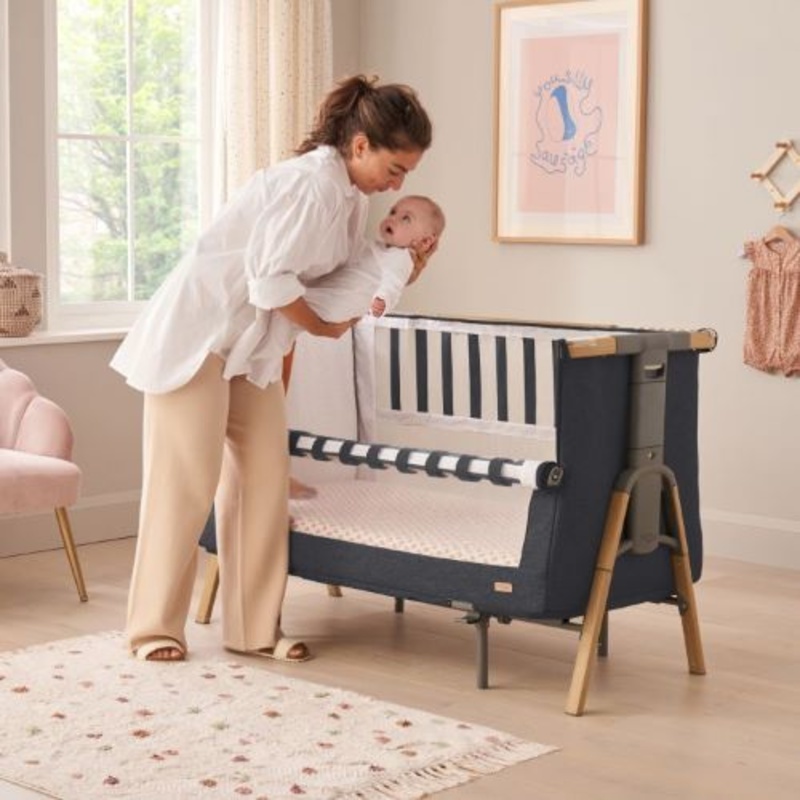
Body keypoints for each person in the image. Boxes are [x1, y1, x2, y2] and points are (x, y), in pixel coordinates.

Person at [110, 74, 433, 663]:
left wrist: (403, 266)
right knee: (185, 483)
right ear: (360, 145)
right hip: (201, 337)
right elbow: (270, 282)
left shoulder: (349, 198)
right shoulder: (311, 186)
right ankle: (153, 628)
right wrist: (320, 328)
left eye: (406, 174)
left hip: (249, 348)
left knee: (264, 479)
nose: (398, 185)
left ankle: (253, 629)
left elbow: (336, 277)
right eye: (395, 168)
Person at [263, 194, 445, 380]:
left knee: (281, 316)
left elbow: (393, 285)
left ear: (425, 242)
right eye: (393, 212)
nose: (393, 219)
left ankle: (265, 361)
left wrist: (382, 301)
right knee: (283, 319)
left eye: (406, 218)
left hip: (341, 305)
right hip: (336, 297)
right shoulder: (378, 247)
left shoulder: (402, 259)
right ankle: (267, 360)